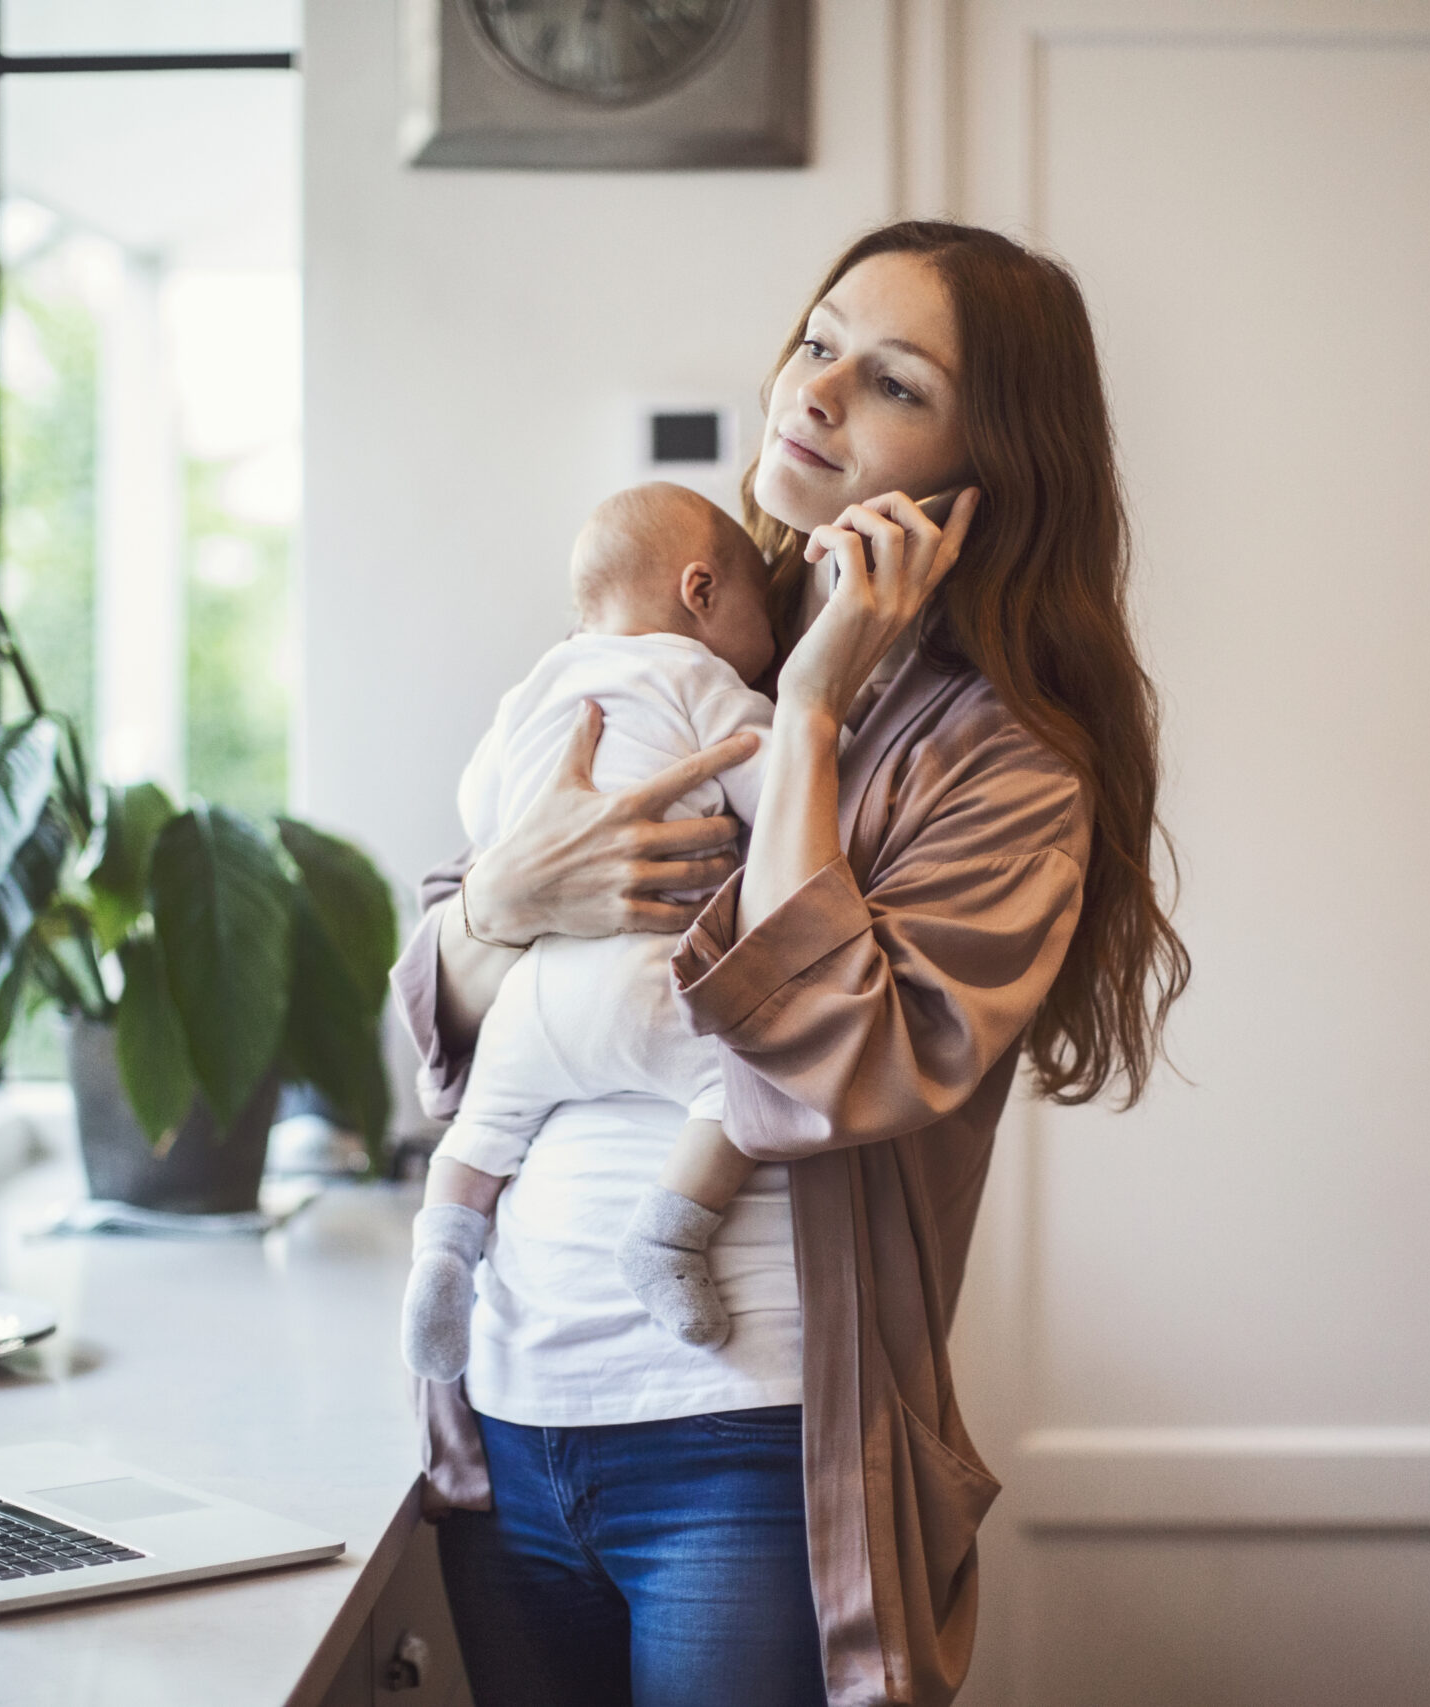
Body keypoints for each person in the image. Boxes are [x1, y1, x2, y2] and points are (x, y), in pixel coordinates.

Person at [389, 221, 1192, 1707]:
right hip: (509, 1406)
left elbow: (837, 1061)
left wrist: (813, 714)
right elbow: (440, 998)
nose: (814, 394)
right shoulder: (690, 619)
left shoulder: (1004, 759)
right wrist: (506, 899)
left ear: (986, 466)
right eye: (819, 341)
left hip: (746, 1449)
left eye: (892, 383)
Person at [402, 482, 785, 1383]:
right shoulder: (701, 677)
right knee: (747, 1086)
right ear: (701, 592)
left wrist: (520, 870)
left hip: (533, 1002)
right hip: (648, 983)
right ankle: (666, 1235)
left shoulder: (535, 687)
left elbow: (480, 807)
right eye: (761, 611)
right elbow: (781, 793)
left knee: (480, 1132)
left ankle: (444, 1255)